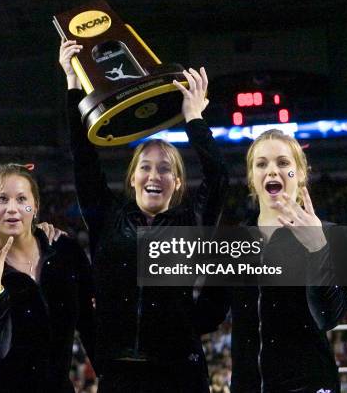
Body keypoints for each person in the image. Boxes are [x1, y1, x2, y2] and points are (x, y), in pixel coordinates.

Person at [59, 40, 229, 392]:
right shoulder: (107, 218)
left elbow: (218, 179)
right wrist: (73, 86)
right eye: (146, 168)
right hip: (118, 374)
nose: (154, 176)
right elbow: (83, 160)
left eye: (165, 169)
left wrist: (193, 117)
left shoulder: (192, 224)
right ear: (132, 177)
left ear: (178, 182)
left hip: (179, 374)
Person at [226, 129, 347, 392]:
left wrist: (318, 249)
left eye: (283, 163)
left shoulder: (329, 233)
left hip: (310, 385)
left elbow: (330, 317)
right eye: (261, 164)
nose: (272, 171)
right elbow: (208, 314)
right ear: (252, 178)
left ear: (301, 173)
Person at [0, 163, 95, 393]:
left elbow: (90, 325)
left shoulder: (66, 252)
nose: (12, 208)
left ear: (35, 206)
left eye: (22, 199)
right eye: (2, 199)